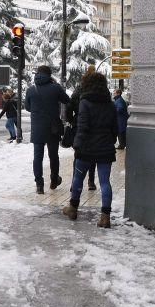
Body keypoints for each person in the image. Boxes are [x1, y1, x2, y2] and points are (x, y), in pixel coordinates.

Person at [62, 72, 118, 228]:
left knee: (78, 178)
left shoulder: (85, 103)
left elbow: (82, 127)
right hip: (105, 148)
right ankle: (105, 217)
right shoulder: (111, 104)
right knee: (105, 182)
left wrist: (77, 145)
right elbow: (115, 128)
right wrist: (110, 141)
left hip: (86, 148)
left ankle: (73, 208)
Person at [25, 66, 69, 194]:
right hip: (52, 128)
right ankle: (54, 180)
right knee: (53, 155)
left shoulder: (31, 89)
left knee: (37, 157)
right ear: (49, 75)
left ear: (38, 74)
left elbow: (28, 107)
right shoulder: (55, 88)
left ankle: (39, 184)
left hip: (37, 128)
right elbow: (66, 100)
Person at [67, 67, 97, 191]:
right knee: (93, 156)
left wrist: (72, 120)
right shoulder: (99, 91)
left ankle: (75, 182)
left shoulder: (78, 90)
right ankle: (91, 181)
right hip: (95, 127)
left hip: (79, 126)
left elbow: (69, 108)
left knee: (78, 155)